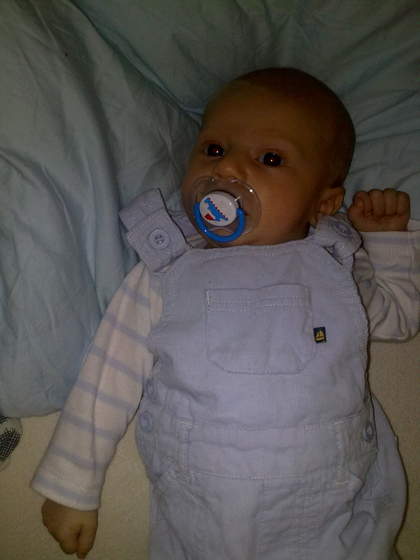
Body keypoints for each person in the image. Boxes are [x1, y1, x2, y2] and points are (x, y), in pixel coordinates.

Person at [32, 68, 419, 559]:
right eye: (214, 149)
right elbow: (110, 370)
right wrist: (73, 484)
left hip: (335, 500)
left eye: (270, 158)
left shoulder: (336, 265)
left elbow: (398, 318)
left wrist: (385, 242)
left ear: (323, 203)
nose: (229, 169)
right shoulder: (168, 267)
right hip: (203, 498)